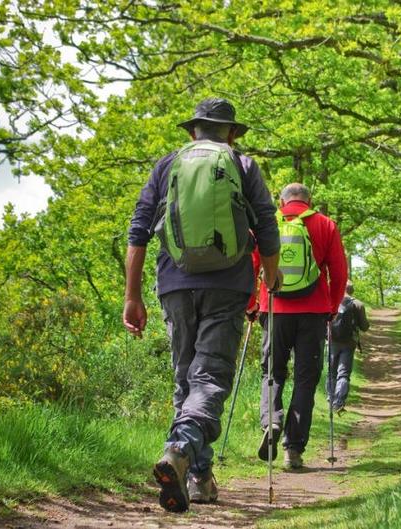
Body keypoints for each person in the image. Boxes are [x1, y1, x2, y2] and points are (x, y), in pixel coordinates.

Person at [123, 98, 281, 512]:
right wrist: (270, 272)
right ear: (230, 133)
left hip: (174, 284)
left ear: (194, 131)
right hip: (228, 286)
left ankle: (198, 479)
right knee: (209, 378)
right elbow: (266, 222)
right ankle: (179, 450)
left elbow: (138, 231)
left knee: (186, 379)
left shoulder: (166, 165)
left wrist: (132, 296)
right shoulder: (243, 166)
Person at [255, 182, 347, 470]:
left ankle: (271, 420)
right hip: (313, 311)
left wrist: (251, 304)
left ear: (281, 201)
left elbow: (252, 264)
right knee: (306, 380)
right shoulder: (325, 224)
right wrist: (331, 307)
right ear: (310, 199)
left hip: (274, 308)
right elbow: (339, 273)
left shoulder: (267, 224)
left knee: (273, 371)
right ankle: (293, 450)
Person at [327, 280, 370, 414]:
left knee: (331, 371)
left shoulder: (331, 300)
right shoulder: (358, 304)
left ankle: (330, 397)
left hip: (332, 341)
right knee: (343, 373)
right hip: (349, 342)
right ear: (352, 290)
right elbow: (364, 327)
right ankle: (339, 402)